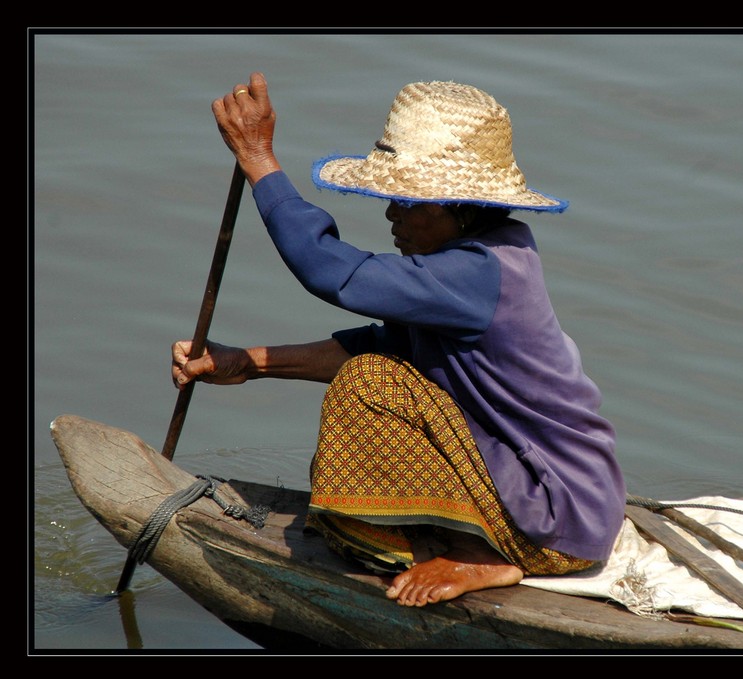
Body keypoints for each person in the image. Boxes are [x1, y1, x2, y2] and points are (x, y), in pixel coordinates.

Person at [172, 73, 626, 607]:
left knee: (368, 385)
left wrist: (258, 161)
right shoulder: (475, 260)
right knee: (373, 369)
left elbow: (331, 272)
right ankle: (470, 536)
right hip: (568, 505)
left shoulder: (480, 273)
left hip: (557, 518)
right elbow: (379, 346)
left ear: (453, 204)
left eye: (408, 202)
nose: (391, 212)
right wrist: (246, 362)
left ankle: (484, 556)